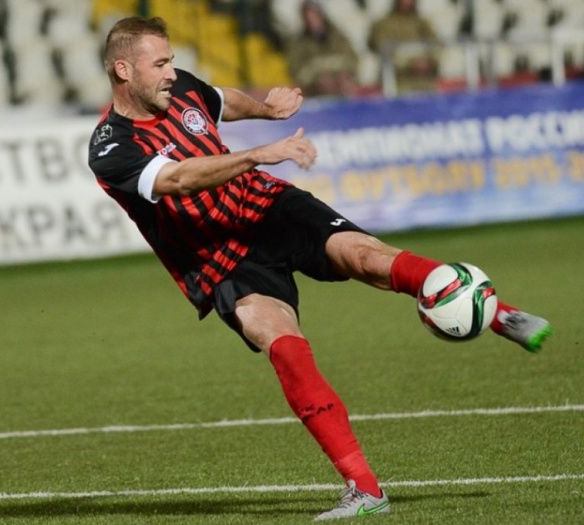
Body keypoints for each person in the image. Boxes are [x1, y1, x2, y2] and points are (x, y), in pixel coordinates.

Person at [87, 16, 551, 520]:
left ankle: (499, 313)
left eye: (172, 61)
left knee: (366, 257)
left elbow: (221, 102)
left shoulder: (180, 89)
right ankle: (365, 490)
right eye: (160, 64)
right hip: (218, 257)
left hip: (265, 206)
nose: (172, 72)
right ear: (123, 70)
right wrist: (258, 153)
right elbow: (177, 179)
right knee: (281, 343)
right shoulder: (111, 146)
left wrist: (266, 110)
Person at [285, 0, 358, 98]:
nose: (311, 19)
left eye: (314, 15)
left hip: (342, 90)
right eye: (307, 16)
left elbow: (352, 60)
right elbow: (297, 73)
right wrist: (316, 76)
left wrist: (342, 75)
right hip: (314, 94)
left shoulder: (338, 37)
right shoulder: (299, 43)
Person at [368, 0, 439, 94]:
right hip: (398, 82)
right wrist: (411, 63)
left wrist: (428, 61)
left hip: (425, 80)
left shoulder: (422, 23)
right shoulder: (383, 24)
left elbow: (435, 46)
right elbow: (383, 50)